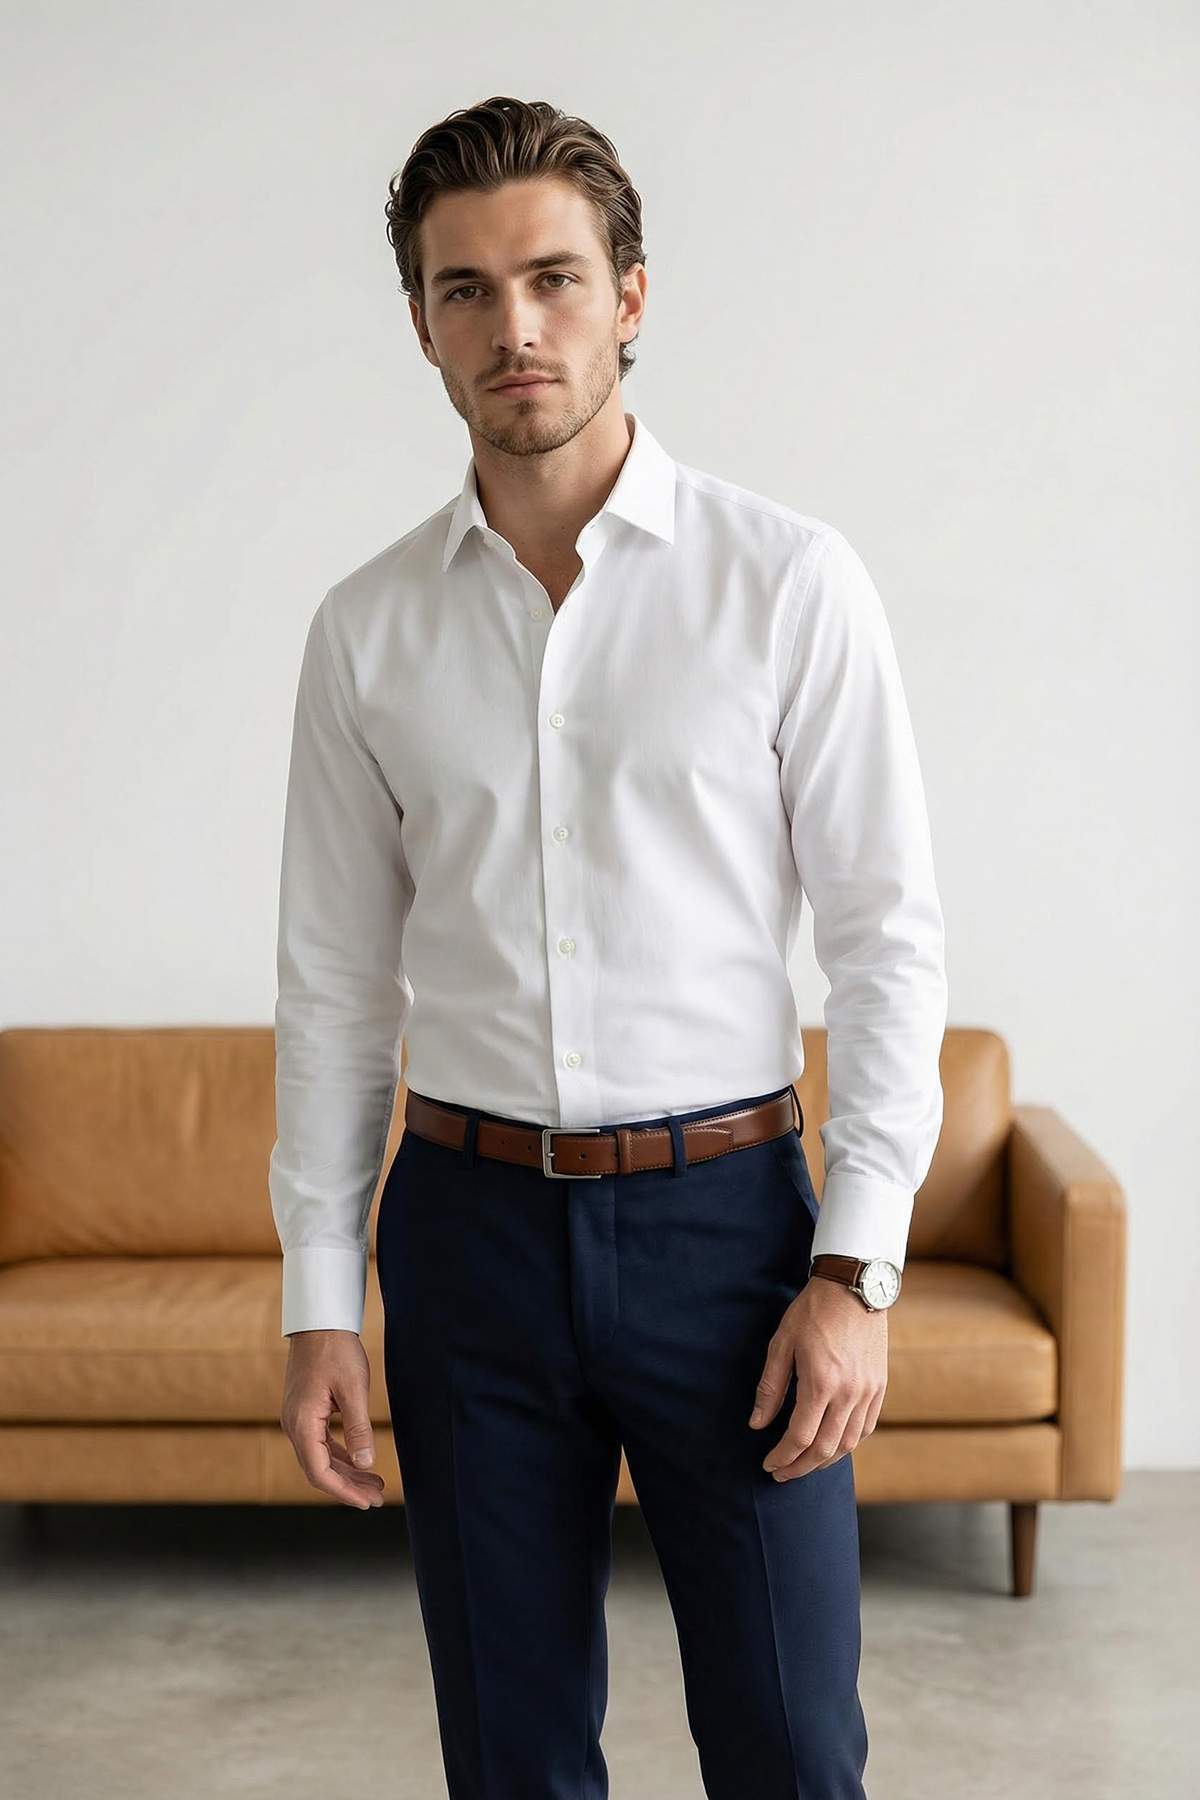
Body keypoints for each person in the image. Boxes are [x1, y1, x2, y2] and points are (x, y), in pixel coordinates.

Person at [269, 93, 947, 1800]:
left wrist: (855, 1272)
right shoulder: (366, 633)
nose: (517, 327)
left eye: (554, 279)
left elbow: (885, 946)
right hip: (468, 1242)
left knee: (792, 1749)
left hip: (732, 1236)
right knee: (510, 1758)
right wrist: (319, 1300)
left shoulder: (788, 584)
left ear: (629, 296)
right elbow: (335, 991)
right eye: (467, 290)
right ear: (422, 324)